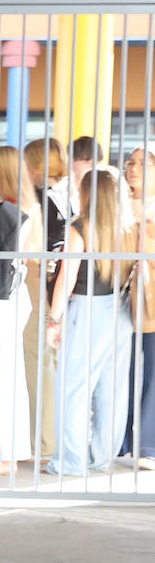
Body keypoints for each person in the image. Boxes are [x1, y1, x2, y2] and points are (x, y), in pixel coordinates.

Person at [47, 170, 137, 476]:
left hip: (87, 309)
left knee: (73, 388)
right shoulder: (126, 228)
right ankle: (101, 457)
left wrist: (53, 320)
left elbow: (66, 279)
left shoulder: (80, 228)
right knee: (112, 388)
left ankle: (71, 462)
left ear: (86, 194)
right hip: (121, 309)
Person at [0, 146, 38, 473]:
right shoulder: (19, 208)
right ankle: (5, 452)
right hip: (10, 298)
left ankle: (6, 454)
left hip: (3, 300)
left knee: (2, 374)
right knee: (2, 373)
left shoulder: (12, 212)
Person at [24, 137, 71, 460]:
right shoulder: (76, 194)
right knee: (56, 367)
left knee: (39, 367)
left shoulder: (43, 200)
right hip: (70, 292)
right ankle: (55, 442)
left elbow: (41, 252)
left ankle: (42, 445)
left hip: (43, 287)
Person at [122, 142, 155, 469]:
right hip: (122, 299)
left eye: (142, 163)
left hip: (152, 300)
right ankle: (124, 441)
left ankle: (148, 446)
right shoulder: (121, 204)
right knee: (124, 370)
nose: (133, 169)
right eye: (130, 163)